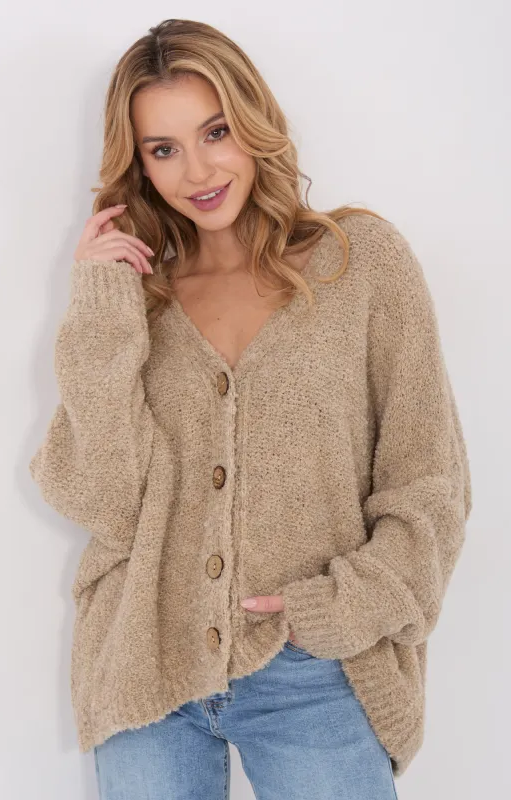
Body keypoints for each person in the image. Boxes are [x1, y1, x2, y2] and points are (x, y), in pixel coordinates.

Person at [29, 17, 472, 800]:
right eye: (163, 149)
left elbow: (429, 483)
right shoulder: (140, 304)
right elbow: (102, 500)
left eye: (216, 131)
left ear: (254, 123)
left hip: (315, 672)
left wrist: (341, 607)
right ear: (138, 165)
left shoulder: (360, 263)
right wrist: (101, 305)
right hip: (147, 674)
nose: (197, 169)